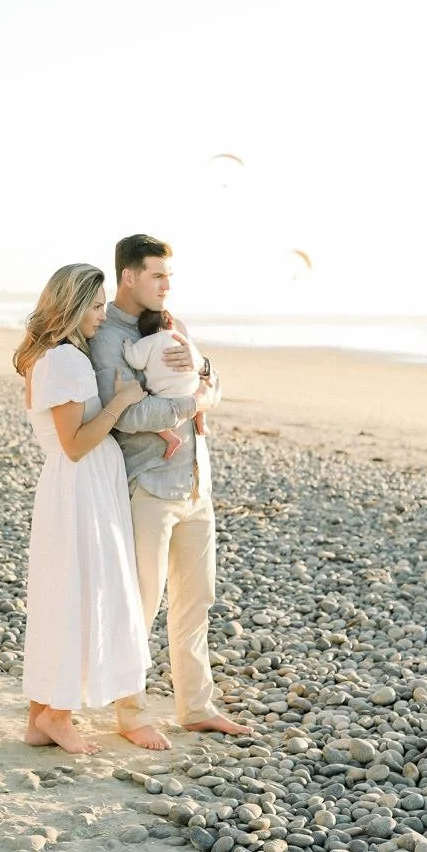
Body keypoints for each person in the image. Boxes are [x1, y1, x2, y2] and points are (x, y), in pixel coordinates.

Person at [89, 235, 248, 741]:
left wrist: (201, 374)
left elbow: (214, 384)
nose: (166, 285)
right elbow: (129, 415)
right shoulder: (108, 337)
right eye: (157, 275)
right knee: (141, 603)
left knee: (196, 600)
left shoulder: (171, 324)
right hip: (149, 487)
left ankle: (196, 707)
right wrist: (192, 402)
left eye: (169, 277)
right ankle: (130, 714)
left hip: (197, 482)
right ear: (129, 276)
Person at [15, 263, 156, 758]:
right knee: (84, 593)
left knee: (63, 594)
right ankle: (58, 714)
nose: (102, 315)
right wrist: (120, 403)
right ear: (73, 307)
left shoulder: (48, 357)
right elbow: (75, 443)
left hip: (73, 487)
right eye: (96, 306)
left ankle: (41, 717)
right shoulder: (67, 361)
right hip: (81, 487)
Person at [122, 306, 219, 462]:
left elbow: (136, 361)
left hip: (166, 395)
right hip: (191, 388)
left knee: (157, 421)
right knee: (200, 402)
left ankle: (172, 439)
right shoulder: (179, 337)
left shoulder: (147, 341)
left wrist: (128, 347)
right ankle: (202, 423)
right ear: (170, 322)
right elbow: (195, 358)